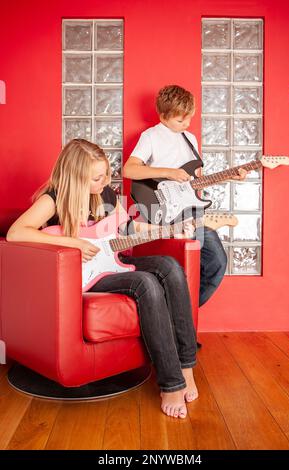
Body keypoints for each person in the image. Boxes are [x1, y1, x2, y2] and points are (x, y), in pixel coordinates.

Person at [6, 138, 199, 419]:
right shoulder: (53, 199)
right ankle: (170, 383)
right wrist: (74, 244)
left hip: (111, 263)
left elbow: (127, 225)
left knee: (169, 267)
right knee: (147, 283)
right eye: (97, 178)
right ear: (75, 177)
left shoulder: (105, 194)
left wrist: (168, 229)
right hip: (82, 278)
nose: (104, 181)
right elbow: (15, 232)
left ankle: (185, 365)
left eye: (106, 174)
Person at [124, 84, 248, 307]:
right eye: (180, 120)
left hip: (190, 211)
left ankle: (182, 319)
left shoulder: (189, 138)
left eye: (189, 119)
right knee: (178, 269)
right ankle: (176, 322)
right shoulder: (150, 136)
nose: (186, 124)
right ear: (163, 115)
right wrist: (168, 172)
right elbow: (129, 170)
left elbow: (194, 180)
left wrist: (230, 177)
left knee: (216, 262)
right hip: (164, 212)